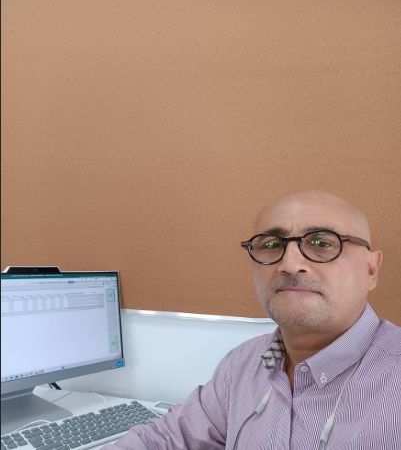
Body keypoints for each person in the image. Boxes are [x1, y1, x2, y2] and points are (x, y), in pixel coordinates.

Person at [103, 190, 401, 449]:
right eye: (271, 245)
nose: (290, 264)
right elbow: (167, 438)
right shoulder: (242, 365)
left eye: (322, 243)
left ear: (371, 269)